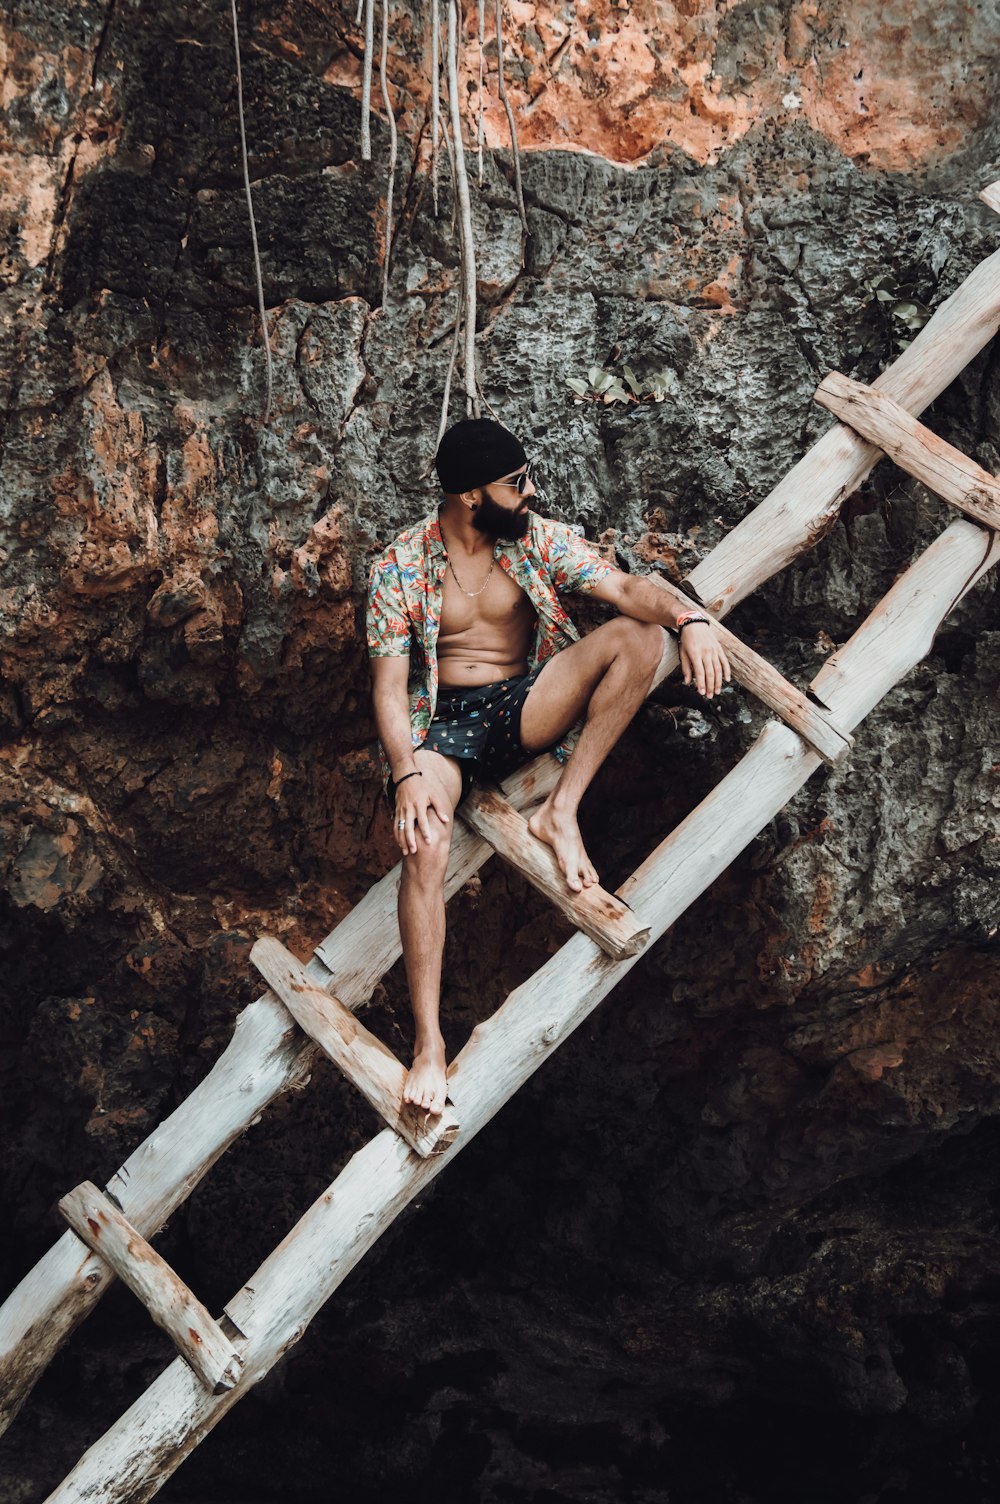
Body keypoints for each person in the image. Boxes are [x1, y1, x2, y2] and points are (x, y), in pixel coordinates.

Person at [367, 418, 731, 1117]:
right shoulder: (398, 567)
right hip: (438, 734)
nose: (530, 492)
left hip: (523, 704)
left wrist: (691, 619)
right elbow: (389, 690)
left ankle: (561, 810)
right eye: (516, 482)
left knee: (639, 637)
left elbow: (628, 592)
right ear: (471, 494)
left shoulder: (534, 538)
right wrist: (409, 773)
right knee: (423, 844)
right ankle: (429, 1047)